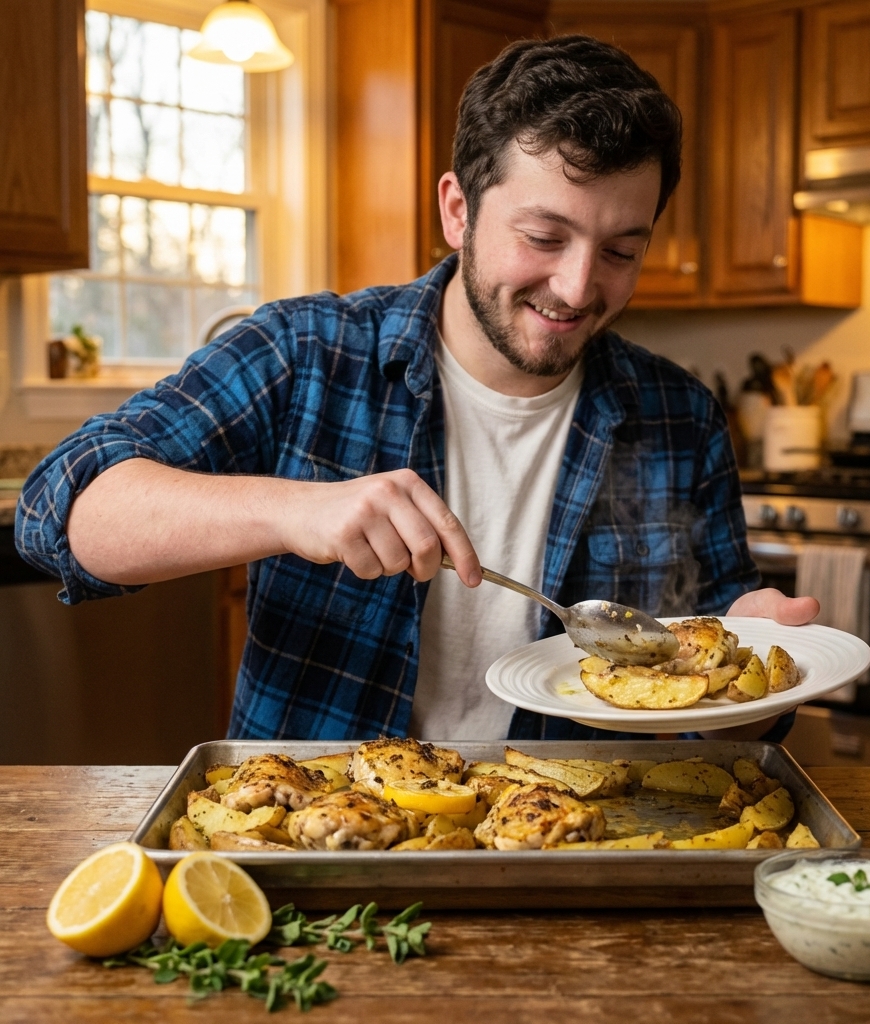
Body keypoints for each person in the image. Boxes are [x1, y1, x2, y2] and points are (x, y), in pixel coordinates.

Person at [16, 36, 817, 743]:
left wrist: (753, 667)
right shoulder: (307, 354)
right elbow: (58, 509)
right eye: (544, 237)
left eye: (621, 251)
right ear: (458, 211)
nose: (577, 288)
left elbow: (711, 690)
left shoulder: (679, 415)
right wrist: (295, 510)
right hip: (323, 844)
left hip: (571, 851)